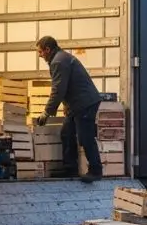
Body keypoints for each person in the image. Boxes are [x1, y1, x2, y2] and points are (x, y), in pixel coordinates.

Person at [33, 36, 103, 183]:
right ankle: (70, 168)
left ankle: (96, 170)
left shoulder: (58, 61)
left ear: (48, 49)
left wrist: (47, 112)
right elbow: (67, 85)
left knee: (85, 136)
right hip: (77, 103)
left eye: (40, 52)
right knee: (67, 133)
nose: (40, 55)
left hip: (84, 103)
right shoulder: (61, 58)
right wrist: (66, 105)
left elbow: (58, 89)